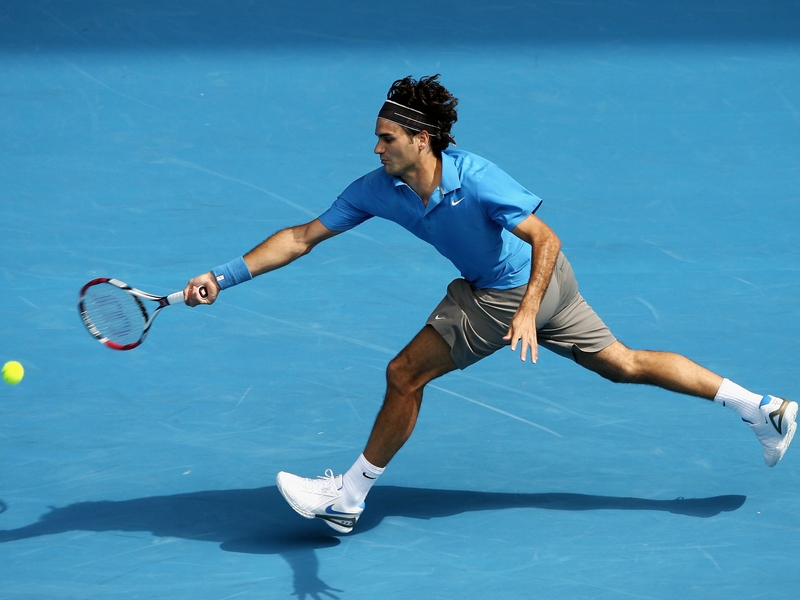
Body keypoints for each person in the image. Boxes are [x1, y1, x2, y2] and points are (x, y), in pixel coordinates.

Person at [183, 75, 797, 534]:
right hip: (542, 285)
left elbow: (545, 237)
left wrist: (525, 311)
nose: (376, 149)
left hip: (513, 289)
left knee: (404, 373)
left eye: (386, 138)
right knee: (625, 363)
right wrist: (223, 275)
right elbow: (301, 237)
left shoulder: (475, 177)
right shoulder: (378, 191)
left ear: (421, 139)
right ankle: (762, 408)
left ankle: (347, 498)